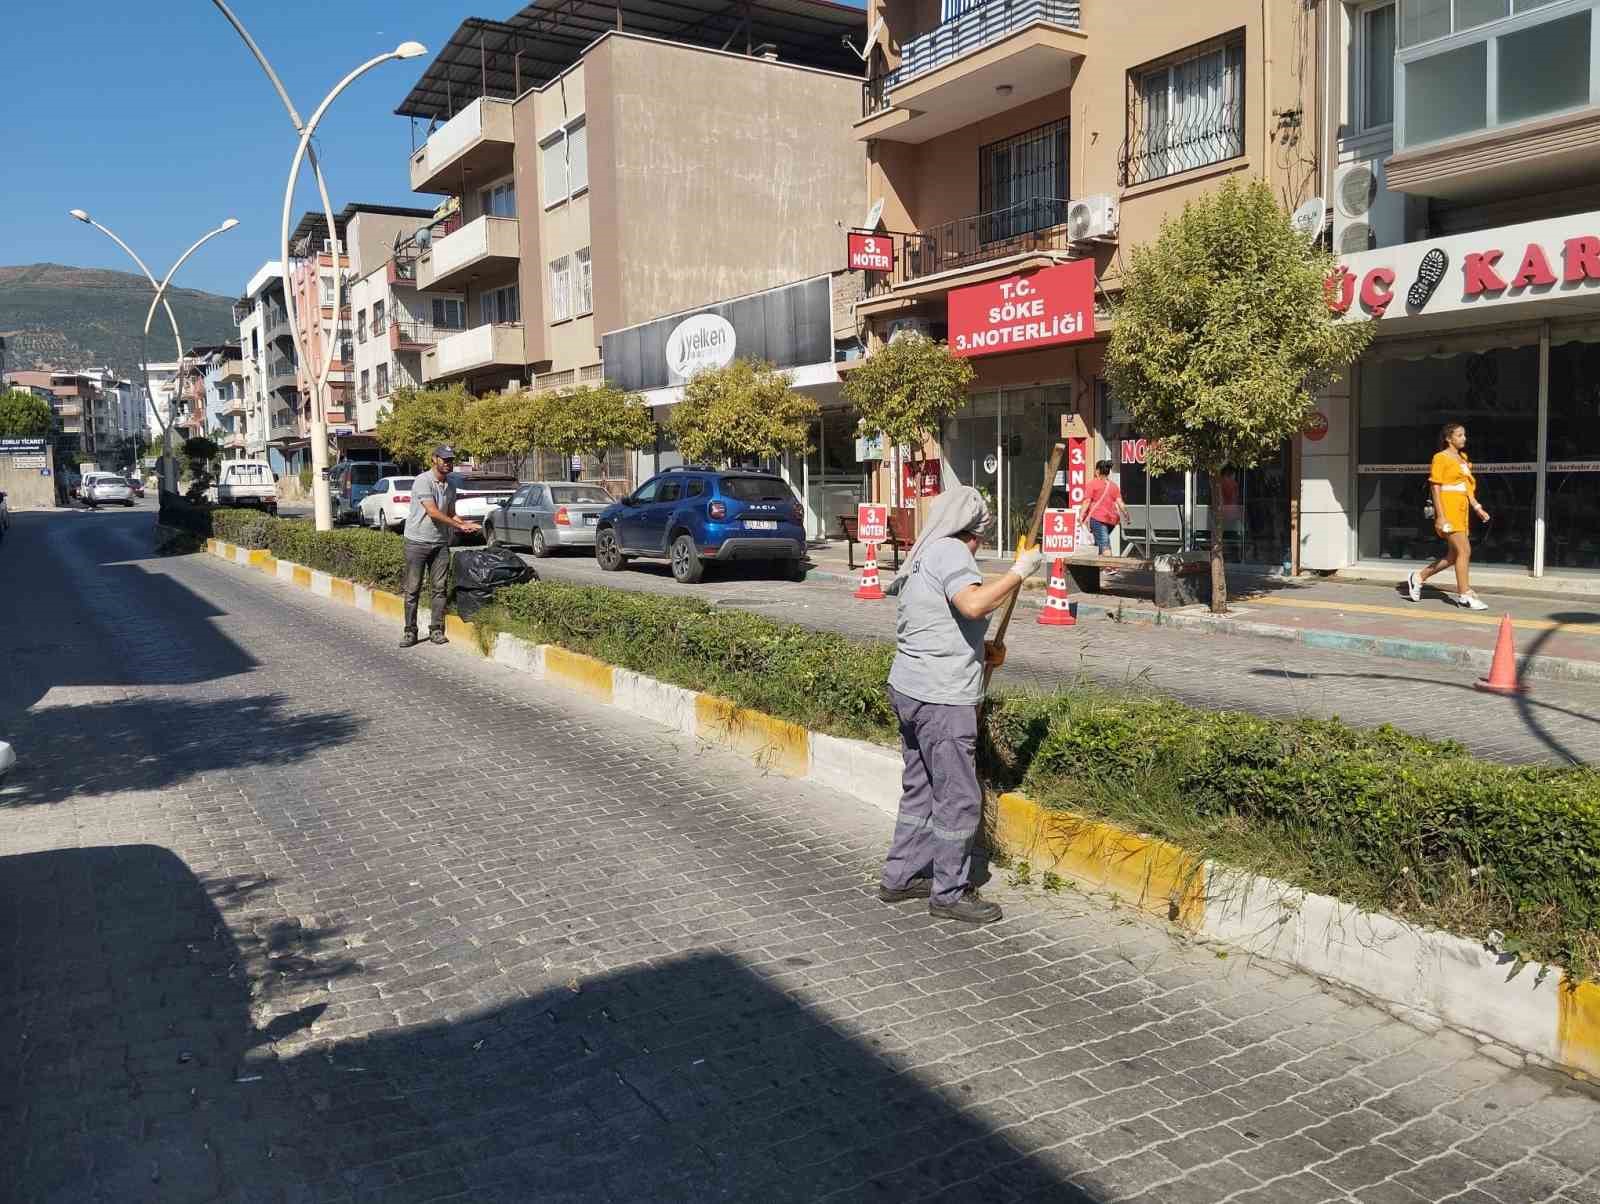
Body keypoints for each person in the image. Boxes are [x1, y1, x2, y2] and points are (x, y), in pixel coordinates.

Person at [878, 486, 1044, 925]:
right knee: (958, 795)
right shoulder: (951, 552)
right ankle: (949, 891)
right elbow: (971, 604)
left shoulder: (926, 553)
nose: (979, 546)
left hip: (910, 687)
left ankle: (901, 876)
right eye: (981, 538)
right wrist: (1018, 573)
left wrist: (981, 649)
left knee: (920, 787)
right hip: (940, 697)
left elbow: (938, 623)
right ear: (972, 531)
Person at [400, 445, 480, 647]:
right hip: (417, 542)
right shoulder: (423, 481)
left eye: (451, 459)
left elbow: (450, 512)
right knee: (412, 589)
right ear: (434, 459)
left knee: (439, 589)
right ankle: (410, 631)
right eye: (444, 459)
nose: (448, 463)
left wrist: (464, 524)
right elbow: (433, 512)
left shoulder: (450, 485)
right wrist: (457, 525)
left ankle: (436, 630)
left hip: (440, 544)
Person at [1407, 422, 1490, 611]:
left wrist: (1477, 507)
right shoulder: (1440, 458)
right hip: (1448, 507)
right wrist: (1441, 516)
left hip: (1462, 509)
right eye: (1460, 435)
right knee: (1465, 551)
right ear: (1448, 438)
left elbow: (1467, 487)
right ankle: (1464, 593)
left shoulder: (1463, 458)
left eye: (1464, 435)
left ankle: (1419, 577)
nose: (1464, 438)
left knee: (1453, 556)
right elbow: (1435, 486)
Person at [1077, 460, 1129, 556]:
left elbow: (1087, 501)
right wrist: (1126, 515)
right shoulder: (1114, 486)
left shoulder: (1092, 484)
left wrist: (1081, 516)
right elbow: (1120, 503)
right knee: (1099, 542)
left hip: (1098, 518)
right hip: (1112, 521)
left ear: (1097, 471)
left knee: (1104, 544)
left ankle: (1109, 567)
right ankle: (1101, 567)